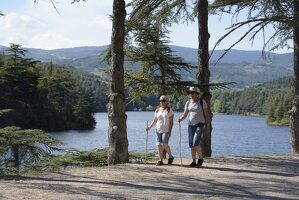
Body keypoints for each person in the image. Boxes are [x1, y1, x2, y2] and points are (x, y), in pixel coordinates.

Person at [178, 87, 211, 167]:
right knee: (191, 144)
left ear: (196, 94)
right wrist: (181, 119)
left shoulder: (202, 102)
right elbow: (185, 114)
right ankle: (193, 161)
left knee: (195, 142)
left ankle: (200, 158)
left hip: (200, 124)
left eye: (193, 93)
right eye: (190, 93)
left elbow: (206, 115)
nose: (191, 94)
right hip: (190, 125)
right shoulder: (188, 103)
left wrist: (208, 126)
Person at [146, 95, 174, 166]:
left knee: (164, 144)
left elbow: (171, 122)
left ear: (166, 102)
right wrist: (149, 127)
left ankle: (170, 156)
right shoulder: (157, 110)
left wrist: (170, 131)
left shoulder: (169, 110)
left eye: (163, 100)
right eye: (160, 100)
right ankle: (160, 160)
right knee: (159, 145)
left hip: (166, 130)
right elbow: (155, 120)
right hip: (158, 129)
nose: (162, 102)